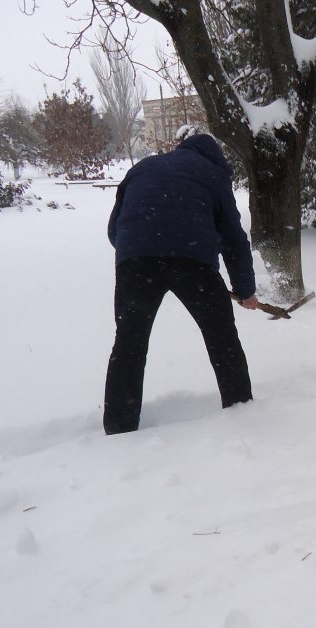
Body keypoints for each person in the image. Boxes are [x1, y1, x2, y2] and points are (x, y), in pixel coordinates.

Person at [103, 132, 259, 435]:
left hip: (136, 263)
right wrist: (245, 291)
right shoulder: (214, 174)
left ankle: (119, 427)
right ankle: (241, 407)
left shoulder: (143, 168)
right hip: (193, 261)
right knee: (221, 337)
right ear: (215, 156)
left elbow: (114, 229)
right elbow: (233, 239)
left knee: (129, 344)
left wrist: (139, 251)